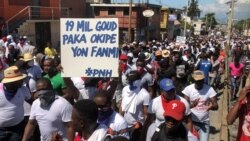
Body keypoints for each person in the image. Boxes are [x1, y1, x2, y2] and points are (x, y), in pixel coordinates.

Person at [183, 70, 218, 141]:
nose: (199, 82)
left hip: (204, 122)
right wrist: (192, 105)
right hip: (191, 122)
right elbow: (183, 107)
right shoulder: (188, 89)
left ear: (203, 79)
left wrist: (211, 106)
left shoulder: (209, 89)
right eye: (197, 80)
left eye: (201, 80)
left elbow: (216, 106)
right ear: (194, 80)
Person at [0, 66, 31, 141]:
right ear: (9, 82)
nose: (21, 82)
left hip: (17, 129)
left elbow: (31, 101)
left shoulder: (23, 89)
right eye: (18, 80)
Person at [120, 71, 151, 141]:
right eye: (129, 80)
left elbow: (147, 115)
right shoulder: (125, 89)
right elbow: (122, 105)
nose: (130, 82)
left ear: (139, 81)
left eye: (132, 80)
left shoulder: (145, 94)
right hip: (124, 126)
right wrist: (120, 119)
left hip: (136, 127)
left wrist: (143, 127)